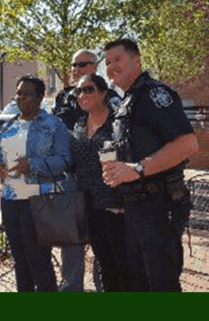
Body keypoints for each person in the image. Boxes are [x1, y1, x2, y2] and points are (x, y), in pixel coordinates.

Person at [102, 38, 198, 292]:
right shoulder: (127, 100)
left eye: (117, 60)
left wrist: (137, 169)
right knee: (139, 282)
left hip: (159, 203)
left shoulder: (154, 94)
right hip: (135, 206)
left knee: (161, 285)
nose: (111, 67)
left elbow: (187, 144)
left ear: (137, 61)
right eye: (108, 62)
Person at [0, 75, 72, 292]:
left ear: (40, 97)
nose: (21, 98)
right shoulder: (8, 125)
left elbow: (65, 160)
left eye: (27, 94)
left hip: (39, 201)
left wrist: (34, 164)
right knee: (20, 261)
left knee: (39, 261)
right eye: (18, 93)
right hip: (10, 200)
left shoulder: (54, 125)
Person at [53, 49, 120, 292]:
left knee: (107, 243)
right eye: (74, 65)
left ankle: (106, 285)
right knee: (72, 237)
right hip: (72, 176)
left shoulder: (112, 99)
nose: (76, 69)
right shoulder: (63, 97)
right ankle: (72, 287)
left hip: (105, 184)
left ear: (95, 66)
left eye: (82, 64)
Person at [69, 73, 130, 292]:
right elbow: (73, 163)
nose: (82, 94)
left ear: (103, 93)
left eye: (88, 89)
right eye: (78, 90)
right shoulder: (78, 124)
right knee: (104, 262)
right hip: (89, 204)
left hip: (116, 204)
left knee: (124, 263)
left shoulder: (118, 122)